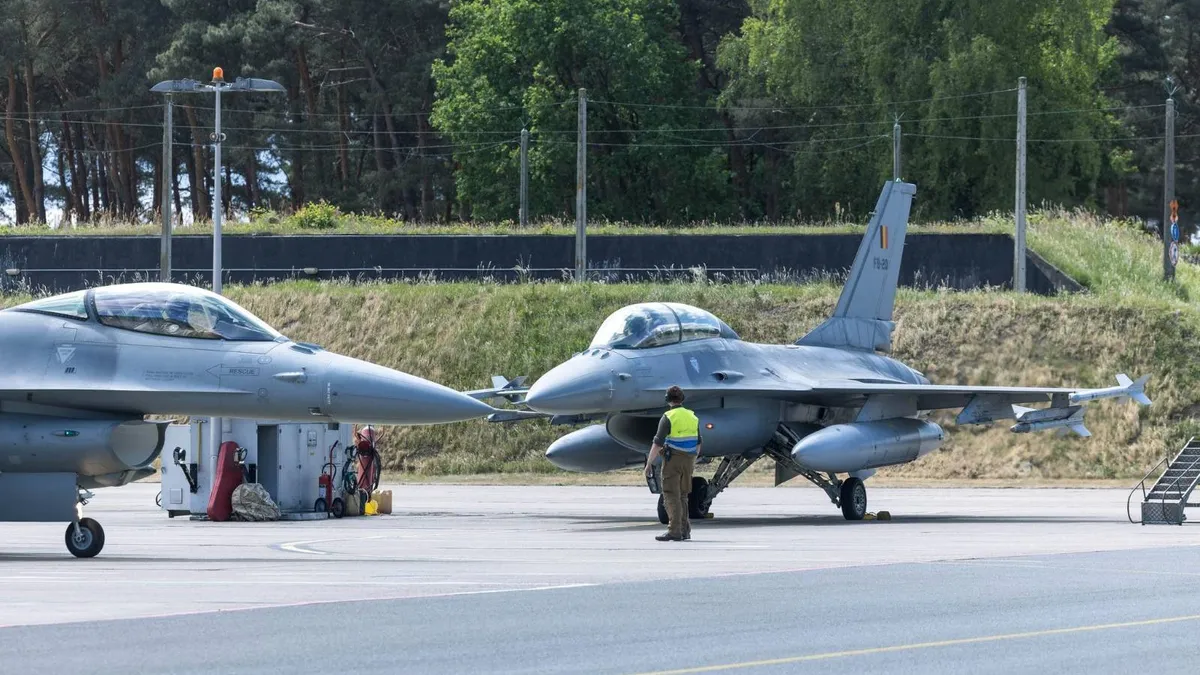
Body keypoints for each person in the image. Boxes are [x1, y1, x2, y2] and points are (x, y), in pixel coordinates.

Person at [644, 385, 701, 542]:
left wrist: (649, 463)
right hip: (689, 459)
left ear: (667, 399)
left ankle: (674, 531)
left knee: (670, 495)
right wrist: (692, 459)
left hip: (673, 460)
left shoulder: (668, 417)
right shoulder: (692, 417)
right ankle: (685, 530)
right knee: (683, 495)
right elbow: (698, 442)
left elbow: (657, 443)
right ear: (682, 399)